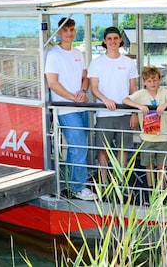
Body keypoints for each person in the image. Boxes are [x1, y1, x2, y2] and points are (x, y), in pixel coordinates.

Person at [45, 17, 96, 201]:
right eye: (65, 30)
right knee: (78, 145)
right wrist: (73, 97)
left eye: (72, 29)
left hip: (80, 105)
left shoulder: (77, 52)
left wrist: (82, 91)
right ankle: (78, 187)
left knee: (78, 147)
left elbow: (85, 76)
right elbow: (52, 83)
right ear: (59, 32)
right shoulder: (53, 54)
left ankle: (73, 182)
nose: (69, 33)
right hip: (66, 108)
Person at [88, 27, 138, 184]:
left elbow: (133, 89)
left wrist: (134, 112)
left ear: (120, 40)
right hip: (104, 114)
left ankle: (119, 180)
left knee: (123, 149)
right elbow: (94, 88)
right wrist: (105, 100)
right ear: (104, 41)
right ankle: (103, 181)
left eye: (116, 38)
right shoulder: (96, 63)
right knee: (103, 149)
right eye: (109, 39)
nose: (113, 41)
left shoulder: (129, 62)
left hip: (124, 113)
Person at [123, 66, 167, 190]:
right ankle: (150, 189)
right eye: (149, 81)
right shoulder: (141, 94)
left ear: (160, 80)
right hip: (147, 137)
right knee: (148, 165)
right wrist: (138, 106)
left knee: (162, 166)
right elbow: (125, 100)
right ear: (144, 82)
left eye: (155, 80)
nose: (153, 83)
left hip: (163, 137)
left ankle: (161, 189)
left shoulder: (164, 92)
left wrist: (166, 104)